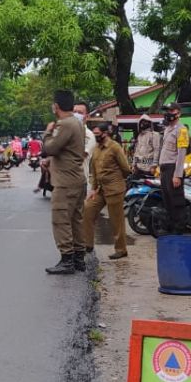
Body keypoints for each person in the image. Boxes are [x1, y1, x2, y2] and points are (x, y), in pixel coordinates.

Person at [42, 90, 87, 273]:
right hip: (77, 178)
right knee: (76, 219)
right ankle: (79, 258)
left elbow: (50, 148)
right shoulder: (77, 123)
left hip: (65, 181)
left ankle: (67, 259)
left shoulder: (65, 124)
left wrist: (47, 132)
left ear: (56, 106)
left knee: (61, 220)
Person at [83, 123, 132, 260]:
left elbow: (126, 168)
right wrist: (93, 189)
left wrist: (117, 180)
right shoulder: (97, 149)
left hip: (114, 188)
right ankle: (88, 244)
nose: (96, 136)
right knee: (87, 209)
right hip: (100, 189)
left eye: (98, 134)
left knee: (116, 220)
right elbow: (94, 170)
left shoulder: (115, 147)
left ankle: (121, 249)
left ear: (105, 133)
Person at [158, 103, 191, 234]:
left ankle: (179, 230)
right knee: (167, 201)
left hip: (173, 169)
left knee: (176, 201)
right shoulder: (167, 129)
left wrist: (177, 175)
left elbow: (181, 153)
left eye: (171, 110)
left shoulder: (182, 130)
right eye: (167, 110)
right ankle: (171, 228)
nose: (168, 113)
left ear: (179, 113)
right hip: (165, 169)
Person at [73, 102, 96, 180]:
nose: (76, 115)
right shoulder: (68, 131)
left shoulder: (89, 135)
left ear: (87, 116)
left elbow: (79, 157)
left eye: (80, 113)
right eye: (74, 112)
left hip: (78, 182)